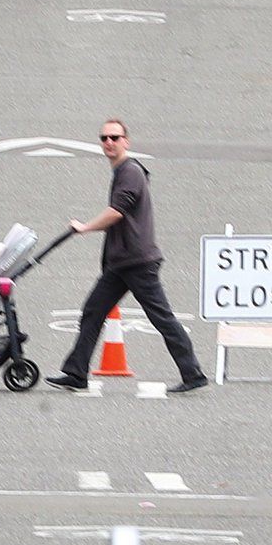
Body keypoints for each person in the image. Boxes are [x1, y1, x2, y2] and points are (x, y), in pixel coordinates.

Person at [49, 120, 209, 395]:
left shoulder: (130, 172)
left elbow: (117, 212)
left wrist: (85, 227)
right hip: (121, 263)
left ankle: (193, 373)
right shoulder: (124, 171)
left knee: (161, 317)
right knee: (93, 311)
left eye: (114, 137)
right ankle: (76, 373)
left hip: (137, 262)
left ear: (126, 141)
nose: (109, 142)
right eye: (104, 138)